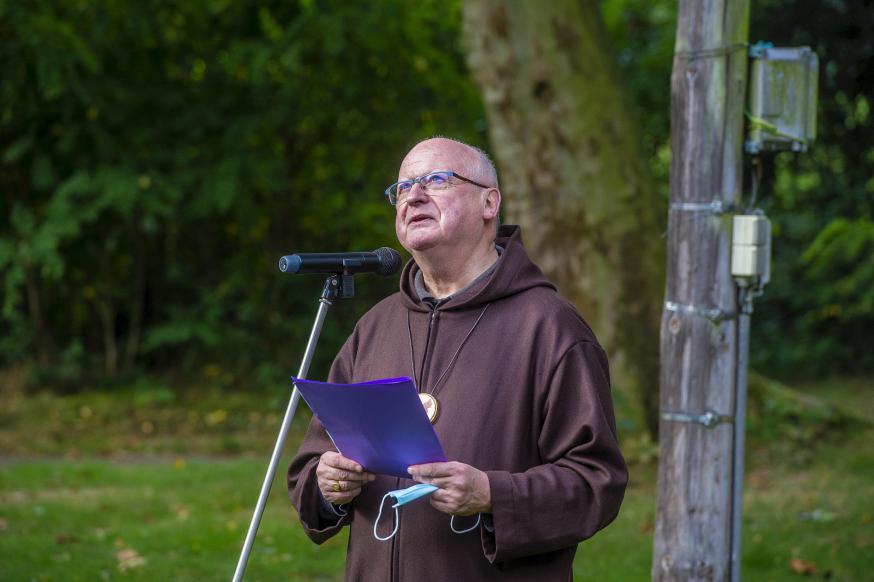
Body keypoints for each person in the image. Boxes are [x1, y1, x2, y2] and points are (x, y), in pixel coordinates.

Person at [287, 137, 627, 581]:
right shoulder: (374, 327)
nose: (413, 195)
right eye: (403, 187)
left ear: (490, 202)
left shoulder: (549, 328)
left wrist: (492, 494)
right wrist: (328, 484)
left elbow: (596, 481)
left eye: (437, 180)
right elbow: (313, 464)